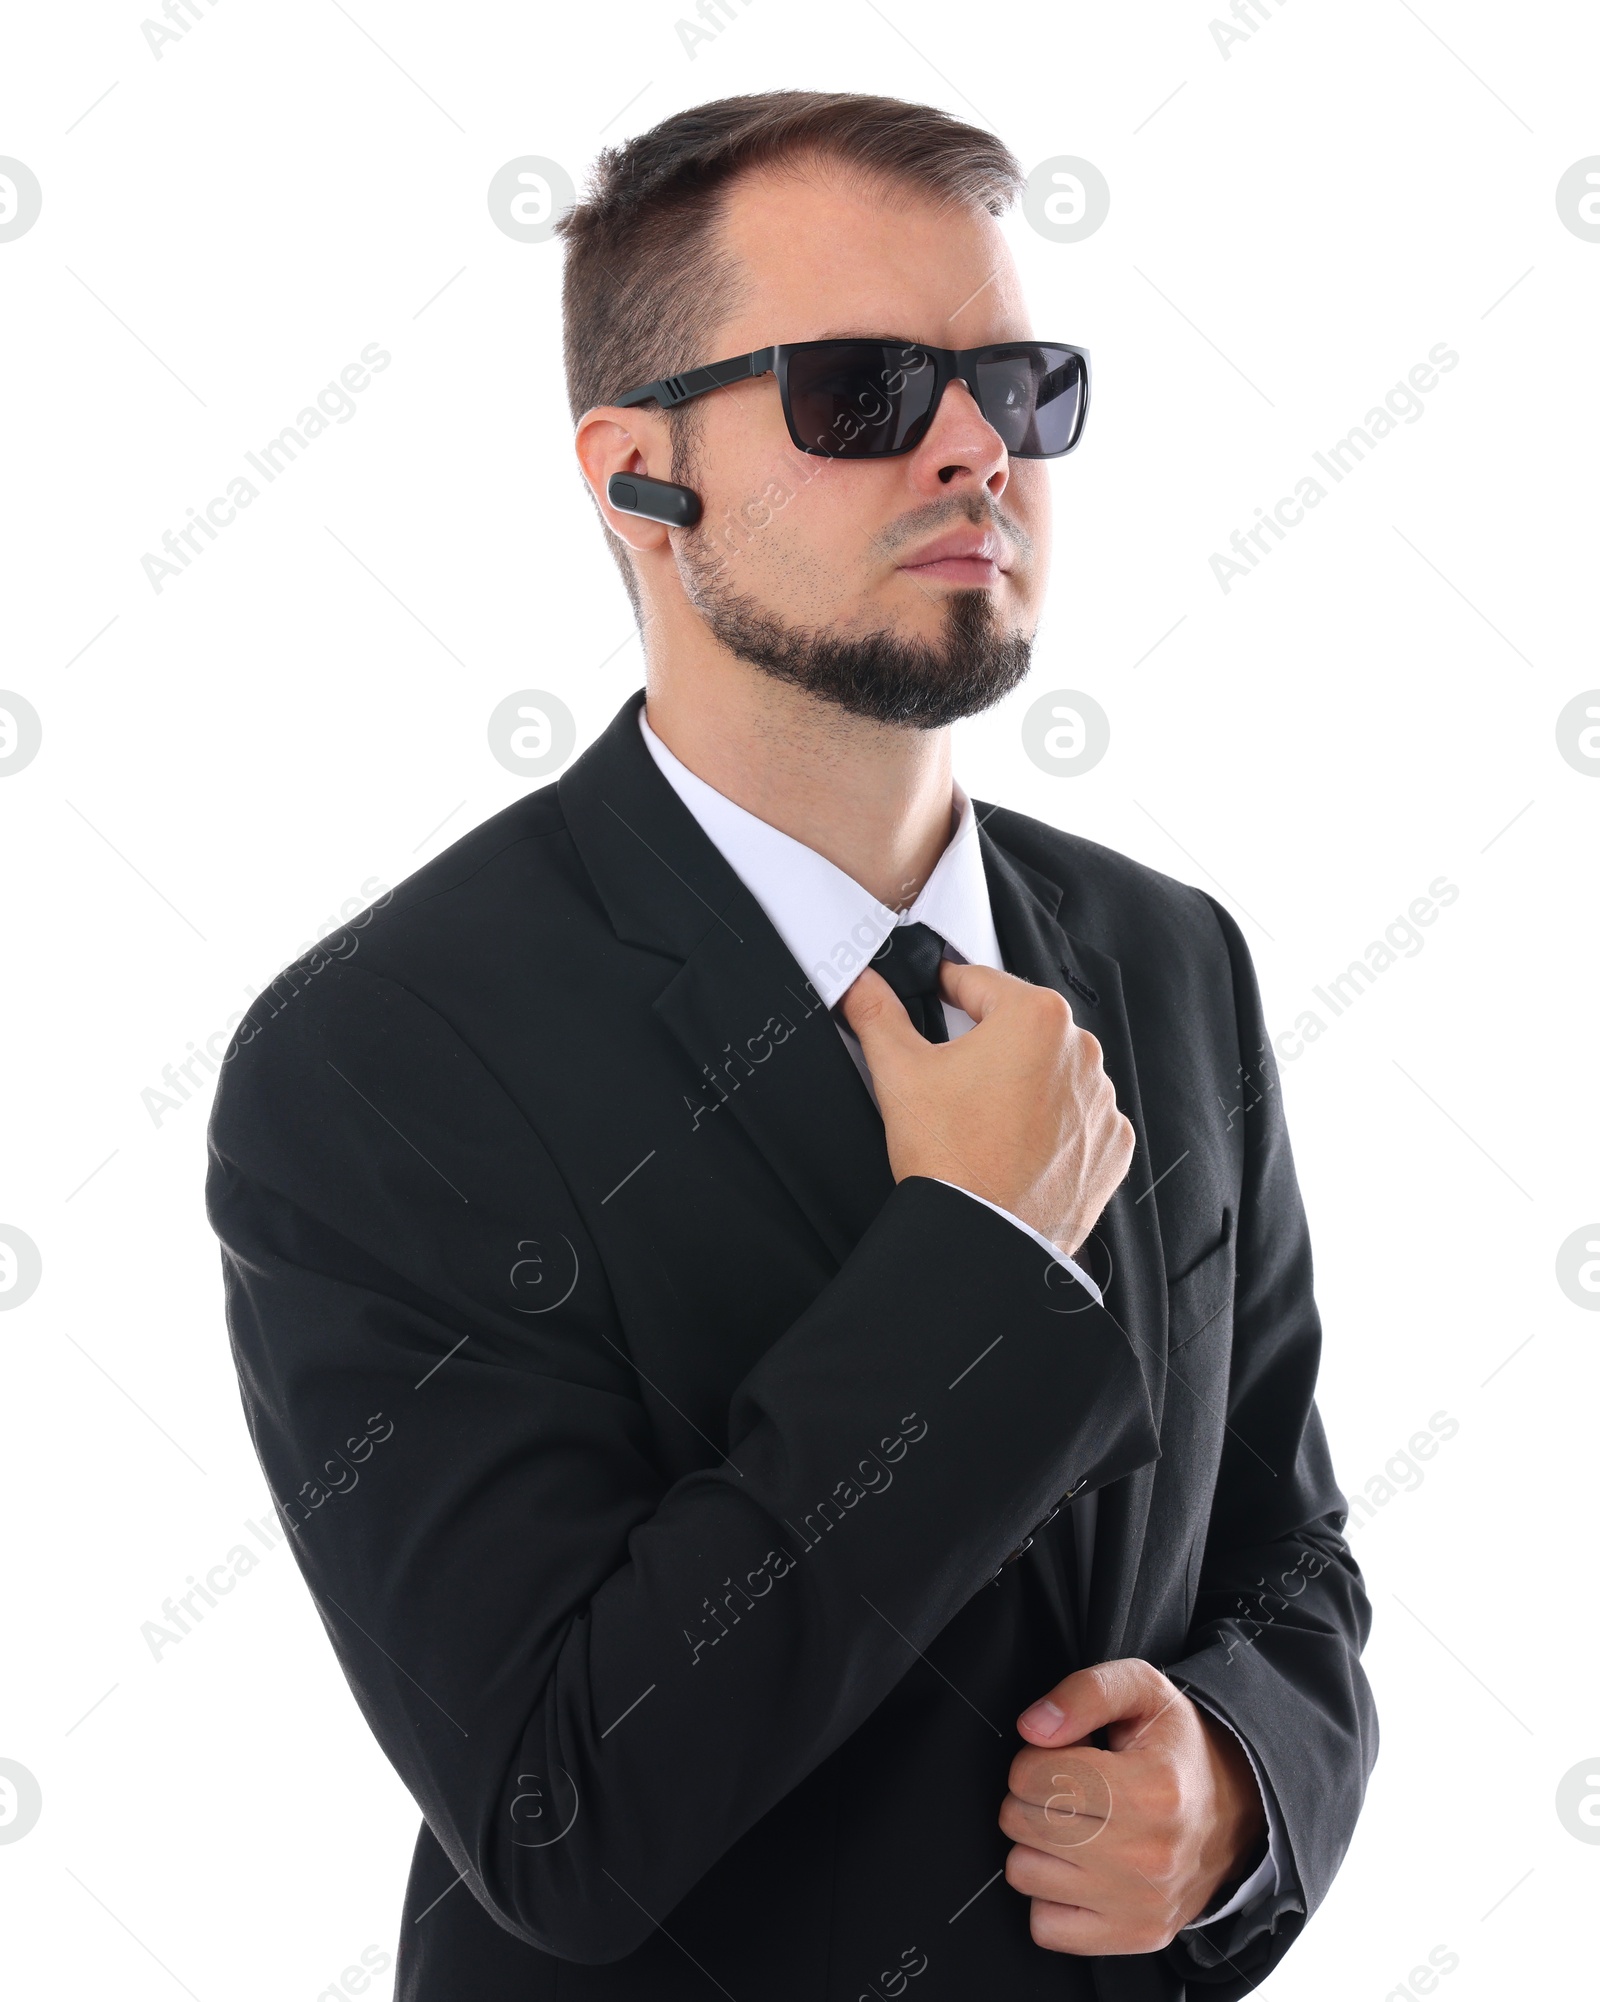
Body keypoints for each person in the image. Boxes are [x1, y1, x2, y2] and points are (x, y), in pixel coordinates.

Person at [206, 89, 1376, 2002]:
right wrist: (979, 1263)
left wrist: (1241, 1786)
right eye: (866, 387)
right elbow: (555, 1814)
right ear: (633, 476)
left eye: (1020, 381)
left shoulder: (1174, 962)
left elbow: (1291, 1558)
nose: (979, 447)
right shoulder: (374, 1059)